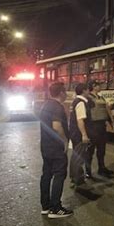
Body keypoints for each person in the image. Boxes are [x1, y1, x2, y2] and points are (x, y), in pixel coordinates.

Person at [39, 82, 73, 218]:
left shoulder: (45, 105)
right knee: (59, 175)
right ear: (61, 93)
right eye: (65, 91)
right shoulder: (57, 107)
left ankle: (45, 206)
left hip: (46, 146)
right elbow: (57, 126)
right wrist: (65, 141)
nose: (66, 94)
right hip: (56, 147)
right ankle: (56, 208)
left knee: (46, 175)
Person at [85, 80, 114, 178]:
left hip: (102, 126)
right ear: (94, 86)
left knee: (101, 149)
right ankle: (88, 171)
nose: (101, 86)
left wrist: (111, 121)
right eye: (99, 85)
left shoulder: (101, 97)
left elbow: (106, 109)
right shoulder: (88, 98)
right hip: (93, 126)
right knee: (90, 150)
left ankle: (101, 168)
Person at [69, 83, 91, 187]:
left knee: (76, 155)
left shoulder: (75, 101)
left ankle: (76, 177)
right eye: (87, 90)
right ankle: (76, 178)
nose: (89, 91)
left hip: (74, 132)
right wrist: (84, 135)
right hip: (78, 133)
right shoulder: (81, 103)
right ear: (83, 91)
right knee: (78, 157)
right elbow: (80, 120)